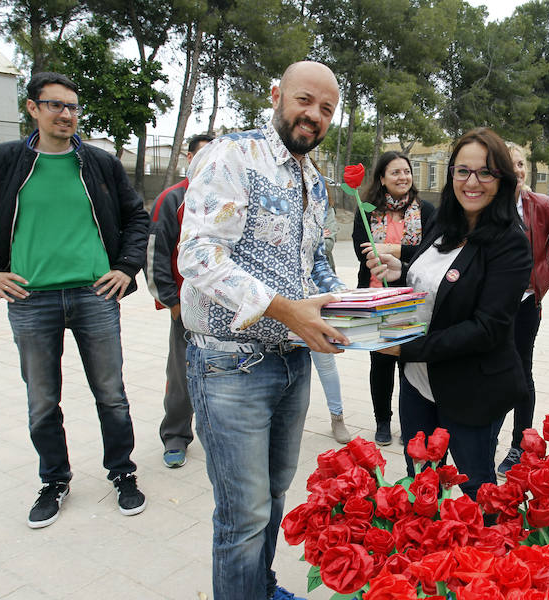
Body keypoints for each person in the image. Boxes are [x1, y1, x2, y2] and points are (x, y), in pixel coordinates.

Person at [177, 61, 347, 600]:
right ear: (277, 95)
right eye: (304, 101)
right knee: (243, 515)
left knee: (273, 498)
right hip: (231, 364)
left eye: (326, 109)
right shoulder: (232, 156)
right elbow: (198, 256)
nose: (313, 116)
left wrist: (352, 305)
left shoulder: (313, 181)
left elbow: (315, 261)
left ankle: (262, 586)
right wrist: (285, 310)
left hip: (293, 364)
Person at [0, 71, 150, 528]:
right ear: (32, 108)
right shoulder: (5, 161)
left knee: (112, 394)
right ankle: (55, 481)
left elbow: (136, 218)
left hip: (93, 295)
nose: (66, 114)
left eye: (73, 107)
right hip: (30, 299)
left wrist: (124, 267)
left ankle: (122, 473)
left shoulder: (99, 164)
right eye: (55, 105)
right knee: (42, 400)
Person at [368, 128, 531, 500]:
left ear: (501, 179)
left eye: (485, 172)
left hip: (471, 388)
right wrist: (400, 266)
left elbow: (487, 328)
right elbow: (438, 273)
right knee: (421, 484)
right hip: (418, 384)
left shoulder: (511, 243)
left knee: (476, 492)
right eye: (462, 171)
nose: (472, 182)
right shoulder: (445, 222)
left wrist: (405, 348)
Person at [496, 141, 549, 477]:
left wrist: (548, 277)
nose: (519, 171)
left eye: (522, 164)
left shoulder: (540, 205)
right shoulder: (486, 204)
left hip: (525, 306)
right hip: (491, 305)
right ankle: (484, 437)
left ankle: (519, 448)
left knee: (521, 373)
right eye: (511, 164)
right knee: (492, 371)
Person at [352, 151, 436, 445]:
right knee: (381, 363)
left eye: (407, 171)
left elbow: (429, 251)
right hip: (376, 299)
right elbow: (362, 252)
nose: (403, 177)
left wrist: (391, 250)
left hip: (413, 300)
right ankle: (382, 421)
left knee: (409, 363)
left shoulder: (425, 210)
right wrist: (383, 251)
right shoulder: (367, 211)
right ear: (383, 179)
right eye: (396, 172)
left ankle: (409, 422)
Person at [145, 132, 214, 468]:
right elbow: (156, 255)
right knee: (182, 372)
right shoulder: (172, 199)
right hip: (186, 309)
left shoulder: (230, 199)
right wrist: (172, 302)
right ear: (189, 159)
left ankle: (220, 435)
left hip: (228, 309)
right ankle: (175, 436)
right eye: (202, 157)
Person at [314, 202, 351, 444]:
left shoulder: (321, 207)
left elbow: (324, 248)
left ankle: (337, 417)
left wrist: (341, 290)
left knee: (325, 362)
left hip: (319, 296)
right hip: (281, 303)